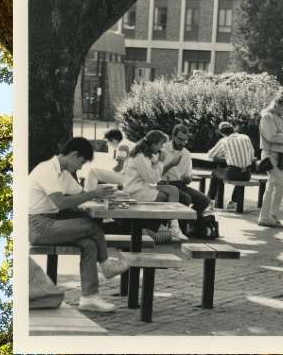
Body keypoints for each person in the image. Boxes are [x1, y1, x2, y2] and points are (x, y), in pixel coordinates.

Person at [26, 137, 129, 312]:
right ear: (74, 155)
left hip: (50, 222)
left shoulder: (63, 173)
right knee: (92, 227)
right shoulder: (46, 170)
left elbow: (82, 194)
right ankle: (106, 266)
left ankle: (90, 297)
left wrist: (105, 196)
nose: (81, 168)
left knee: (89, 244)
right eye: (81, 162)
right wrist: (92, 194)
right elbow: (61, 202)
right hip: (36, 226)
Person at [115, 130, 180, 242]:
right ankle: (157, 227)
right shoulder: (140, 156)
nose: (162, 148)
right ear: (154, 144)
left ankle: (174, 228)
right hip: (135, 189)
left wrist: (158, 162)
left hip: (142, 186)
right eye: (161, 144)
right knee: (163, 197)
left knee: (173, 190)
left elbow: (152, 173)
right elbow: (151, 178)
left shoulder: (146, 153)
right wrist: (160, 162)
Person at [161, 124, 213, 230]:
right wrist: (171, 164)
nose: (182, 143)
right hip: (165, 184)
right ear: (174, 137)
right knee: (186, 198)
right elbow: (155, 173)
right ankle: (181, 227)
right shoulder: (163, 150)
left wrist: (188, 178)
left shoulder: (186, 153)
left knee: (204, 200)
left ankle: (188, 223)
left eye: (185, 140)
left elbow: (188, 175)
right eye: (180, 139)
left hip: (180, 184)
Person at [257, 95, 283, 228]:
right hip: (269, 154)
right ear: (276, 105)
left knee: (271, 187)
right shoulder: (267, 117)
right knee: (281, 183)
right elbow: (270, 135)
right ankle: (272, 216)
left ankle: (265, 218)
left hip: (281, 155)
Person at [205, 121, 256, 203]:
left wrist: (225, 155)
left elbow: (211, 154)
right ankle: (233, 202)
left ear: (221, 133)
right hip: (247, 174)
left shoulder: (224, 140)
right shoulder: (246, 137)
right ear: (233, 129)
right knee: (239, 174)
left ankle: (210, 200)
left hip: (233, 173)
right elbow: (252, 155)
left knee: (215, 173)